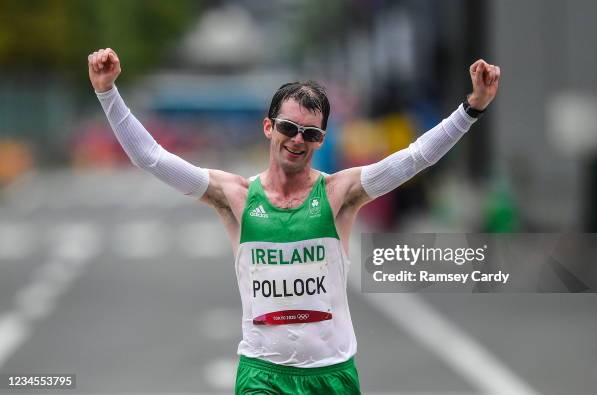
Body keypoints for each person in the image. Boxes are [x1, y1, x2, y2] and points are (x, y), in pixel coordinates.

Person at [88, 47, 500, 395]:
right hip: (262, 374)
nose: (298, 140)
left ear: (321, 139)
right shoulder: (234, 196)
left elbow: (414, 158)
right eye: (288, 128)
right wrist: (108, 93)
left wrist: (472, 107)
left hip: (332, 374)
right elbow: (152, 158)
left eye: (311, 134)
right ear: (269, 128)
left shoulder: (340, 195)